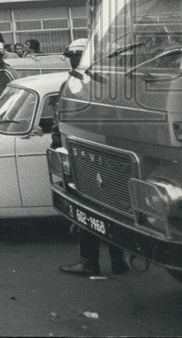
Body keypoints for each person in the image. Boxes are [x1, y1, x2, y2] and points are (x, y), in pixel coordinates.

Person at [54, 39, 129, 277]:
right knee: (113, 207)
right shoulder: (110, 82)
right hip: (109, 152)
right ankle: (118, 260)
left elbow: (63, 120)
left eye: (74, 58)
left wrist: (58, 144)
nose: (72, 62)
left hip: (84, 152)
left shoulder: (75, 84)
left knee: (86, 207)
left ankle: (89, 260)